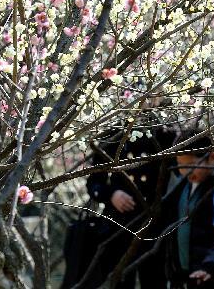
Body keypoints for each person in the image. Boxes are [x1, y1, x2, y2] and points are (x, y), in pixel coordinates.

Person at [76, 104, 176, 288]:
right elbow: (93, 182)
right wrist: (111, 194)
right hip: (118, 224)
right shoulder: (113, 133)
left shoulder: (165, 131)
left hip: (154, 223)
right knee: (119, 281)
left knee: (155, 280)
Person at [163, 128, 214, 289]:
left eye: (192, 164)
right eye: (181, 165)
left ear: (212, 157)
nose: (186, 172)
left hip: (212, 277)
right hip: (182, 277)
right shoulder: (181, 188)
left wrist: (211, 266)